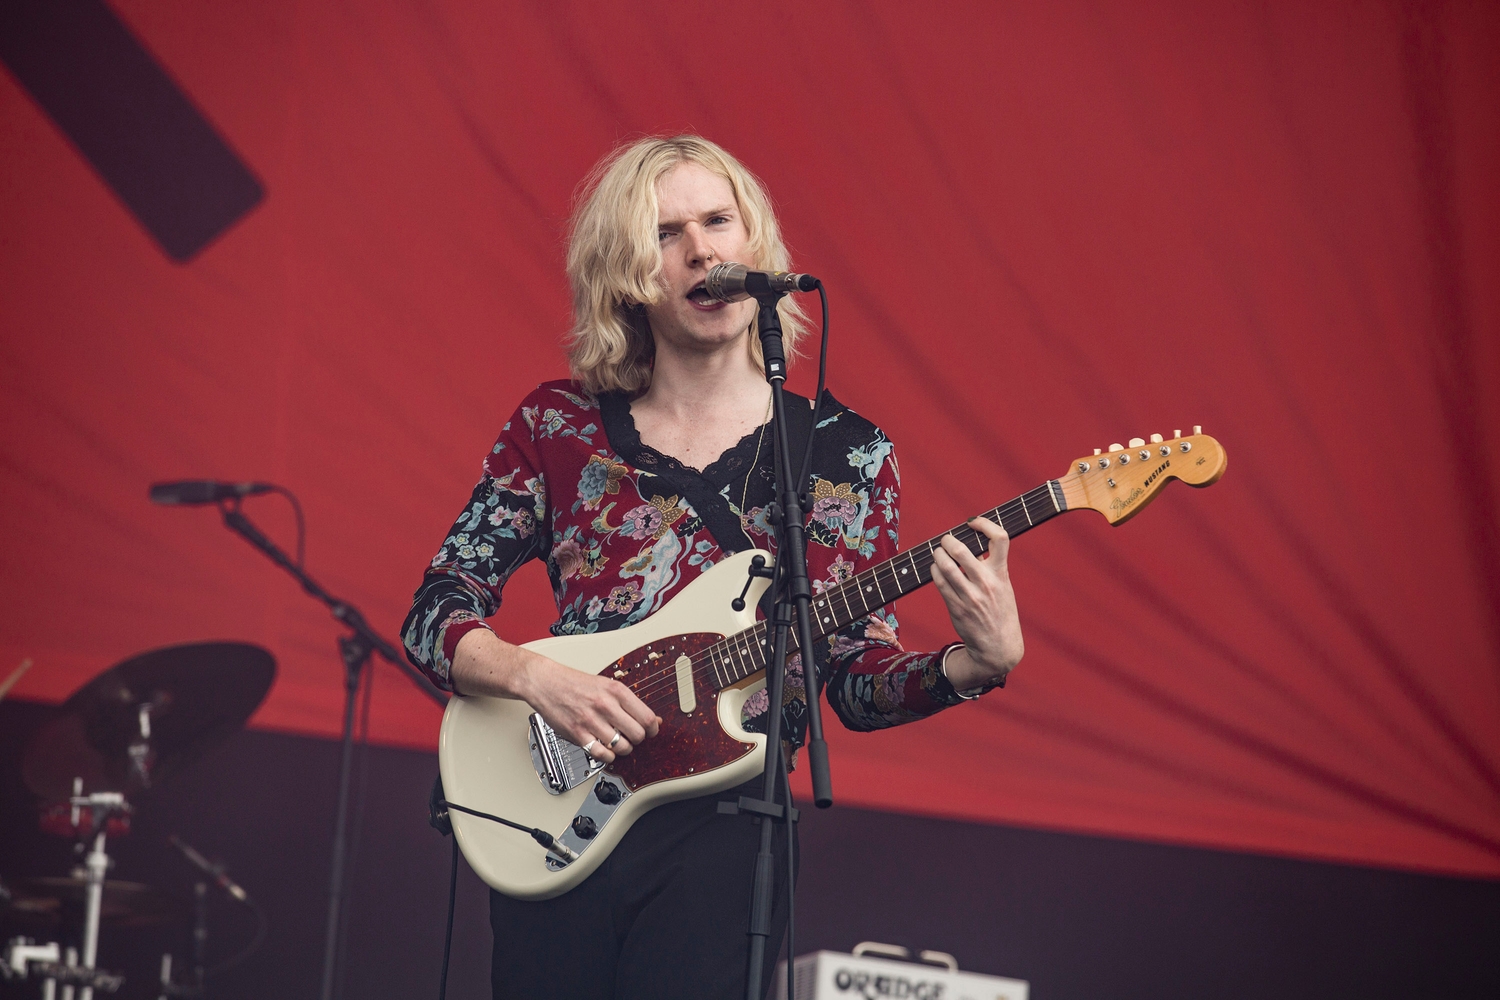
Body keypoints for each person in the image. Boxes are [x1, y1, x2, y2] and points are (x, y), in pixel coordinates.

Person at [402, 135, 1024, 1000]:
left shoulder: (847, 455)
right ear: (625, 273)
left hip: (731, 831)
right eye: (665, 233)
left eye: (719, 221)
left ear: (756, 248)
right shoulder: (558, 427)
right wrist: (532, 675)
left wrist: (974, 664)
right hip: (558, 810)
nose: (701, 250)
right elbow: (435, 613)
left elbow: (848, 679)